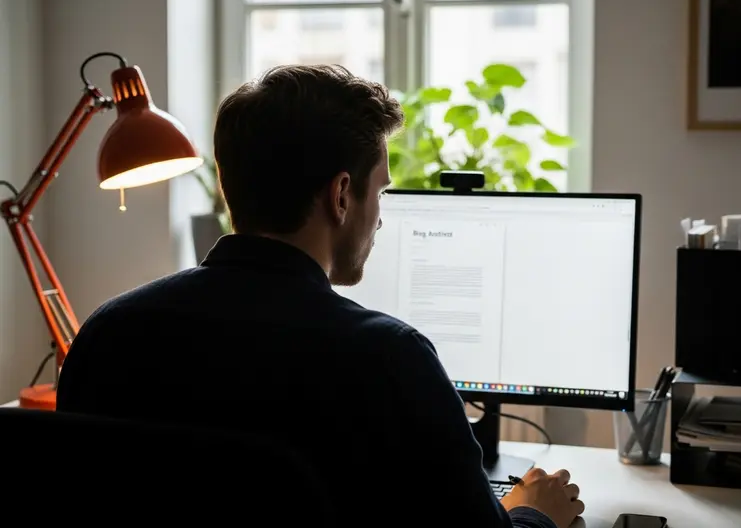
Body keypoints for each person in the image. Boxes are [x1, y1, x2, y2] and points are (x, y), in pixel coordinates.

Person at [56, 65, 584, 528]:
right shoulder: (389, 358)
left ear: (227, 182)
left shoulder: (106, 334)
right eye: (380, 192)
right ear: (340, 195)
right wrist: (534, 512)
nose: (380, 216)